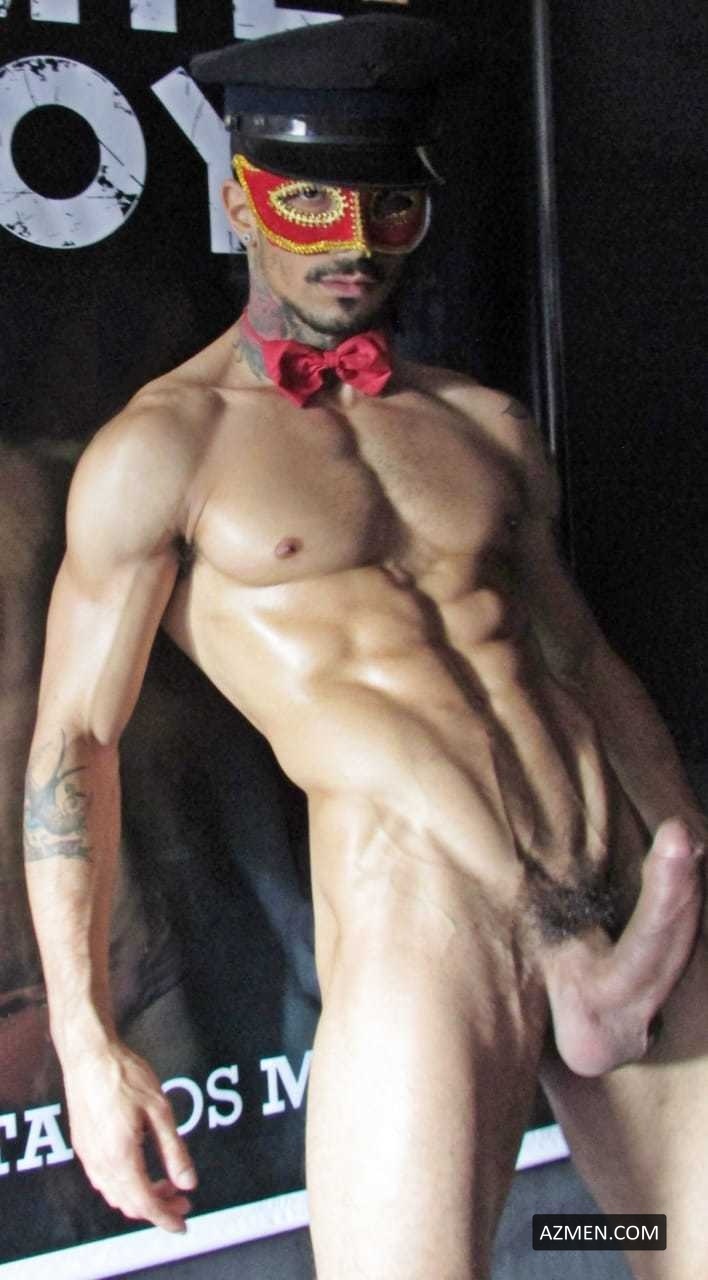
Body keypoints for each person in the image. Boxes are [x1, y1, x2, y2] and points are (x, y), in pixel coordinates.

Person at [22, 16, 707, 1280]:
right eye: (312, 202)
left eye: (390, 205)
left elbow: (583, 665)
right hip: (424, 920)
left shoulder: (482, 424)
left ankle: (576, 1240)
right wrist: (88, 1038)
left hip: (622, 884)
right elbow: (76, 737)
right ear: (242, 200)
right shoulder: (165, 448)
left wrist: (690, 848)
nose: (353, 243)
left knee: (668, 1244)